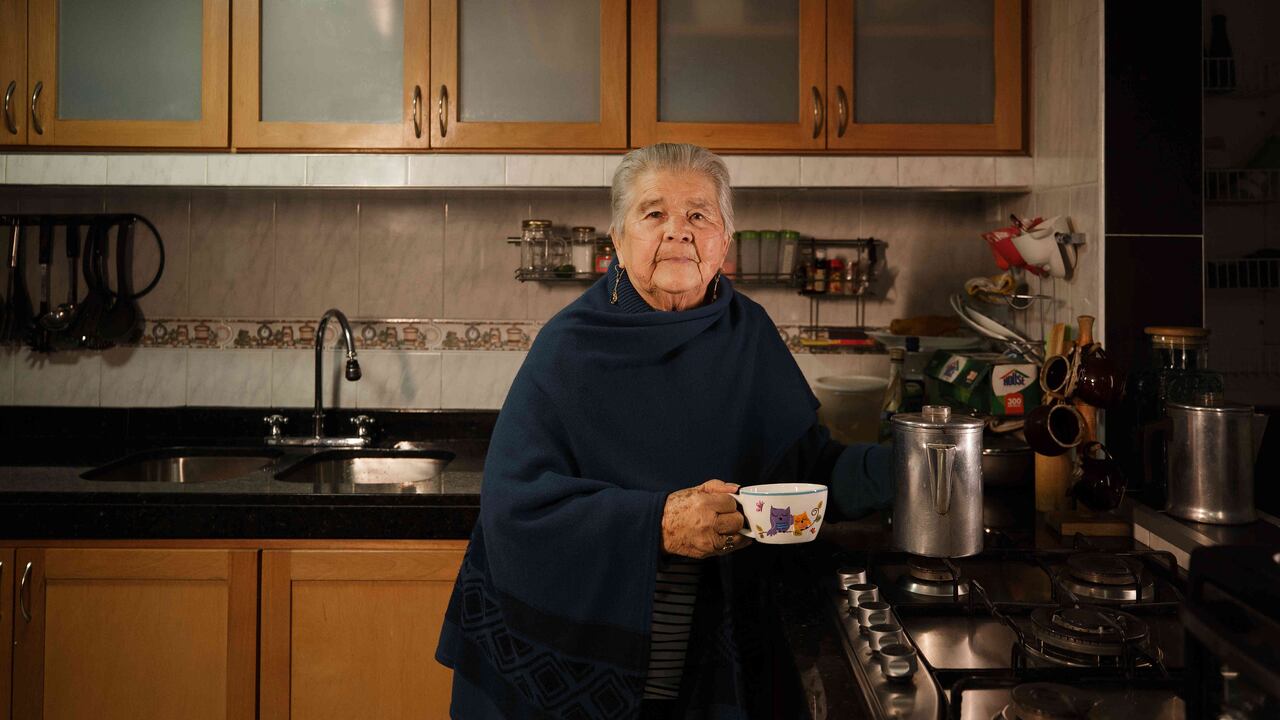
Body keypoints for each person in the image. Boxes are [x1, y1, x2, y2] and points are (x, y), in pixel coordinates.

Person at [436, 143, 892, 719]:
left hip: (710, 664)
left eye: (699, 215)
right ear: (618, 240)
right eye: (654, 213)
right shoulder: (569, 345)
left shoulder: (747, 331)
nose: (679, 231)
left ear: (724, 240)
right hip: (580, 664)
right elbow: (513, 508)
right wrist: (659, 523)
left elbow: (804, 472)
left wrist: (910, 467)